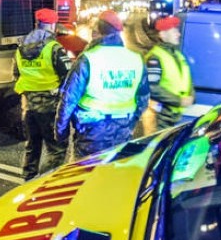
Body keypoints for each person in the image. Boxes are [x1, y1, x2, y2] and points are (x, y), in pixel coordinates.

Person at [55, 10, 150, 158]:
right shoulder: (136, 59)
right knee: (115, 174)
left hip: (91, 135)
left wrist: (61, 133)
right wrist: (130, 124)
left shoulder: (88, 58)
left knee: (84, 176)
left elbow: (69, 99)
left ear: (96, 33)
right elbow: (143, 100)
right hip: (123, 133)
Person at [14, 8, 73, 180]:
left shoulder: (21, 47)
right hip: (50, 106)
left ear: (36, 24)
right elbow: (68, 76)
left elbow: (16, 74)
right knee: (57, 149)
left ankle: (28, 180)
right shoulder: (54, 49)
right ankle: (44, 183)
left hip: (29, 105)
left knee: (32, 145)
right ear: (53, 26)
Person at [144, 15, 194, 132]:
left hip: (174, 115)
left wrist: (192, 95)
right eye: (174, 31)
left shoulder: (177, 55)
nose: (178, 34)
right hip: (160, 117)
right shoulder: (155, 58)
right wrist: (178, 100)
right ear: (162, 35)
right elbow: (152, 87)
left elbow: (187, 79)